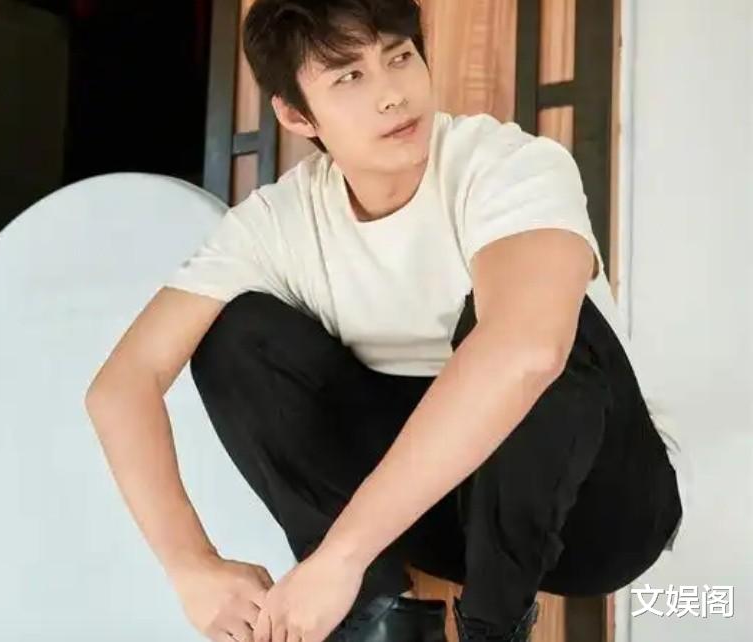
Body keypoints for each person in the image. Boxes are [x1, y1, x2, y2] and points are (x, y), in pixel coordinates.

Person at [84, 1, 686, 640]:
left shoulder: (510, 166)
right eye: (349, 76)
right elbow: (120, 386)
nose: (392, 94)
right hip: (438, 518)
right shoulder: (275, 225)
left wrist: (338, 555)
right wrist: (191, 566)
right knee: (233, 333)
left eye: (399, 57)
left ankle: (492, 625)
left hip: (597, 517)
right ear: (296, 115)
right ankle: (367, 609)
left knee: (529, 321)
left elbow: (527, 353)